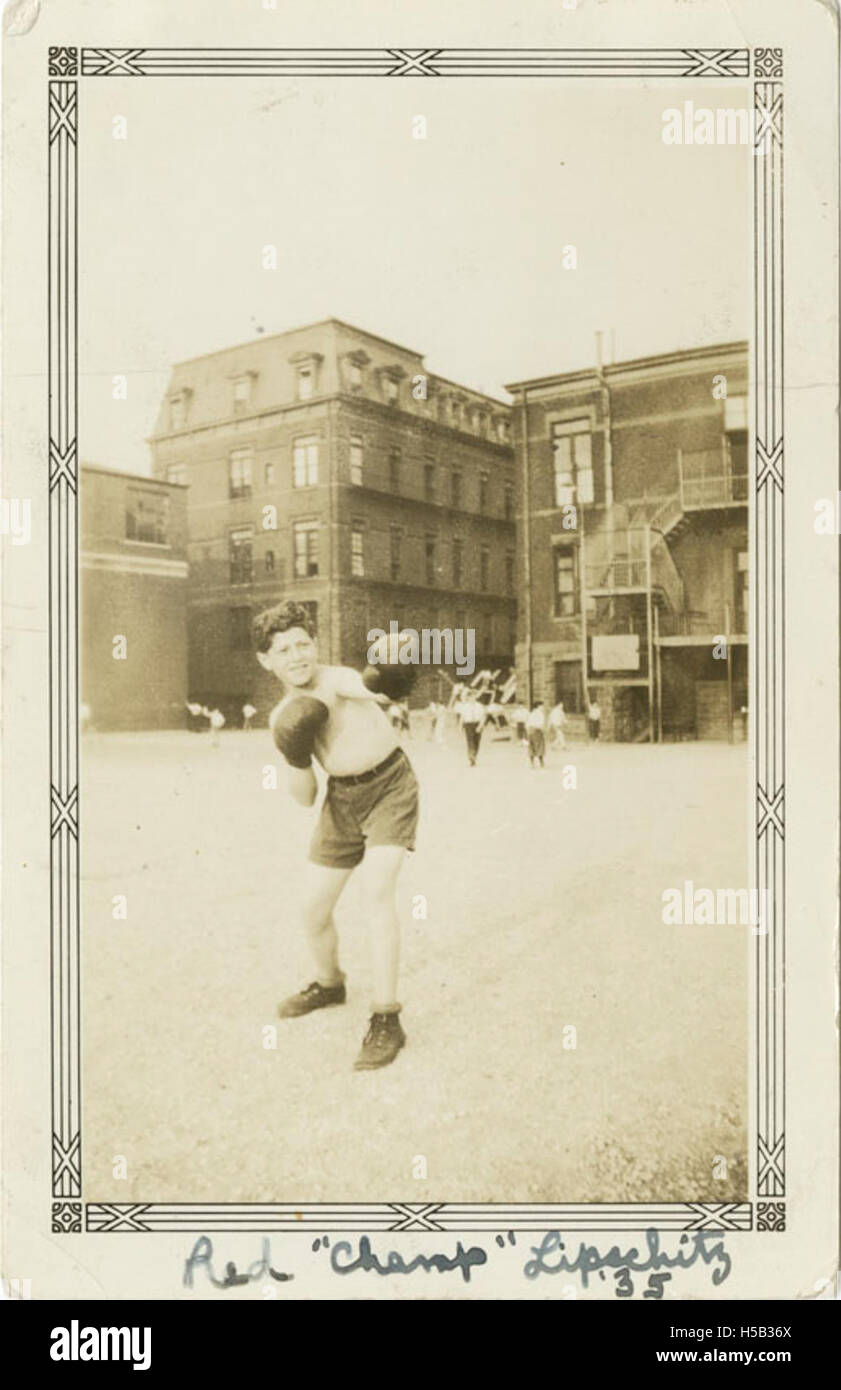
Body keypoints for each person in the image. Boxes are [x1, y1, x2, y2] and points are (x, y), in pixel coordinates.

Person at [255, 600, 419, 1071]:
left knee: (378, 888)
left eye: (303, 643)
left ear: (316, 644)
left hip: (390, 785)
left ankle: (387, 1018)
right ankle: (330, 983)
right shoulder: (280, 715)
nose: (297, 655)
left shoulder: (336, 678)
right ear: (267, 661)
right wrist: (295, 755)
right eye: (283, 649)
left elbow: (370, 688)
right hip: (340, 802)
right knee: (312, 909)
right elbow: (305, 797)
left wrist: (384, 675)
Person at [458, 691, 486, 767]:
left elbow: (483, 717)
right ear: (468, 698)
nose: (472, 698)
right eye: (470, 697)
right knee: (470, 741)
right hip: (468, 724)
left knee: (477, 742)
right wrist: (460, 727)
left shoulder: (479, 706)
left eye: (473, 697)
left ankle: (474, 755)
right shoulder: (464, 706)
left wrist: (480, 726)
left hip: (477, 724)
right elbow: (462, 718)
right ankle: (471, 757)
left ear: (475, 697)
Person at [526, 701, 547, 768]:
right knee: (539, 746)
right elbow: (540, 724)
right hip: (537, 731)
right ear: (538, 706)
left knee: (531, 747)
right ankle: (541, 763)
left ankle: (532, 763)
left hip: (530, 731)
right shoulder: (540, 714)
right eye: (542, 706)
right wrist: (543, 730)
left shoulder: (531, 713)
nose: (543, 707)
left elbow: (527, 723)